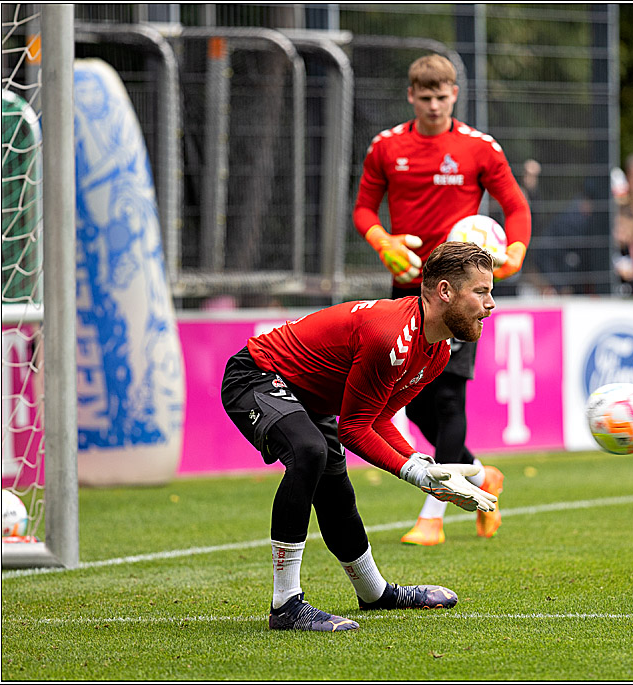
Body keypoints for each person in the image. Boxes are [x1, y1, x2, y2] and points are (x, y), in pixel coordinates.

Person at [220, 243, 500, 632]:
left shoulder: (435, 353)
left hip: (307, 398)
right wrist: (412, 472)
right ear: (445, 292)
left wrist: (422, 463)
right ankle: (285, 605)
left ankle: (375, 592)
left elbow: (377, 417)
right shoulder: (391, 335)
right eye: (481, 291)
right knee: (309, 451)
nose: (491, 304)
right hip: (255, 377)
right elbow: (353, 428)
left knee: (335, 488)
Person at [353, 54, 532, 546]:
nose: (434, 105)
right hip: (409, 287)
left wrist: (514, 250)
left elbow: (515, 206)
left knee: (450, 396)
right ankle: (479, 475)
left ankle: (433, 515)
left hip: (462, 291)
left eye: (442, 95)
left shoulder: (479, 148)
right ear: (411, 96)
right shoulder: (387, 147)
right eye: (425, 97)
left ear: (455, 94)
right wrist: (383, 242)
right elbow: (365, 209)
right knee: (414, 407)